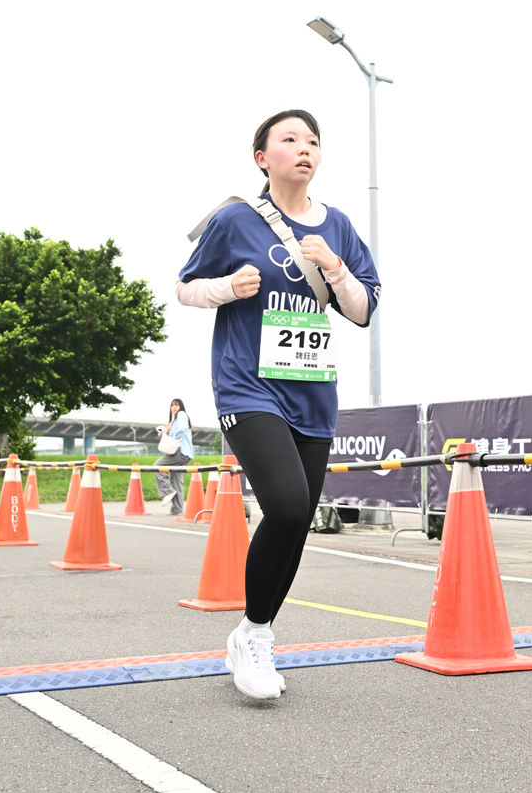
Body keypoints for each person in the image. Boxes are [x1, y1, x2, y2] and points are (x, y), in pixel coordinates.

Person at [177, 108, 380, 702]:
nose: (304, 148)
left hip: (312, 390)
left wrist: (335, 269)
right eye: (289, 139)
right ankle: (257, 636)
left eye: (312, 140)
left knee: (296, 521)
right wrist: (227, 287)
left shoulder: (338, 226)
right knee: (287, 504)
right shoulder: (236, 219)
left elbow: (364, 309)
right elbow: (185, 286)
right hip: (248, 386)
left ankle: (252, 631)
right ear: (262, 158)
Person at [154, 398, 193, 515]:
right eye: (172, 405)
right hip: (185, 454)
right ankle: (177, 509)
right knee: (177, 480)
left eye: (177, 405)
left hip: (180, 452)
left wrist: (172, 436)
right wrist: (165, 431)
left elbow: (181, 429)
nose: (174, 407)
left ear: (181, 407)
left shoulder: (181, 414)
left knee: (157, 466)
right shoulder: (174, 420)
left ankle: (167, 491)